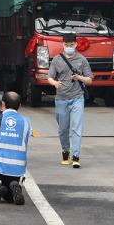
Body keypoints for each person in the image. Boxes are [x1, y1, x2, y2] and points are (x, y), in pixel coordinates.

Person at [47, 33, 93, 169]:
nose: (69, 47)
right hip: (61, 98)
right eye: (66, 45)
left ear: (76, 44)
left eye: (71, 45)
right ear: (63, 45)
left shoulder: (82, 60)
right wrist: (54, 83)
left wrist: (79, 77)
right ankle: (65, 152)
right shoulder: (57, 59)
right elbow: (49, 77)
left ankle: (76, 156)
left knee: (77, 128)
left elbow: (89, 80)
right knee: (63, 129)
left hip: (77, 98)